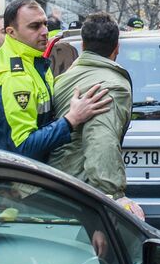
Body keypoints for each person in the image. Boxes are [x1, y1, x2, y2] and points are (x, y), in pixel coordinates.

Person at [0, 0, 109, 160]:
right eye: (35, 26)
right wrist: (71, 119)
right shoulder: (14, 77)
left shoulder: (32, 59)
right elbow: (23, 147)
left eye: (45, 23)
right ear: (11, 32)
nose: (45, 31)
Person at [50, 12, 144, 217]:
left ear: (83, 46)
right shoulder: (111, 86)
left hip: (57, 184)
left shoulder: (64, 78)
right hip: (82, 193)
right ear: (116, 47)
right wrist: (113, 200)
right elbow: (101, 141)